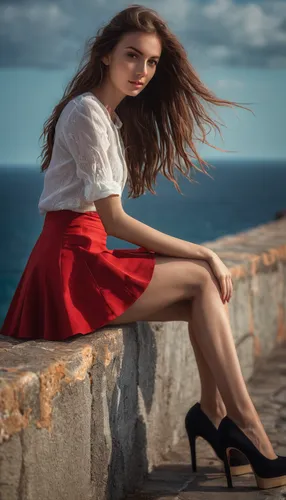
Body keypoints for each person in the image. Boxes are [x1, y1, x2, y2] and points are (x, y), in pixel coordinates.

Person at [1, 4, 285, 490]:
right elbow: (113, 220)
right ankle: (249, 429)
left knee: (202, 297)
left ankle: (212, 413)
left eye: (152, 62)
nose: (142, 71)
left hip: (82, 257)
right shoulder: (86, 112)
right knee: (202, 277)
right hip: (72, 264)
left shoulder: (106, 117)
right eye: (133, 56)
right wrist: (205, 251)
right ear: (106, 55)